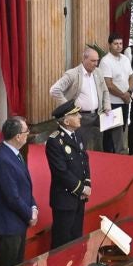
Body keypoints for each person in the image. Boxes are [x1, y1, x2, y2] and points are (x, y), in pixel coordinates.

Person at [0, 115, 38, 266]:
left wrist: (34, 206)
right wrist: (29, 214)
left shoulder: (16, 154)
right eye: (26, 131)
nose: (28, 134)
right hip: (8, 227)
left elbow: (25, 186)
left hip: (18, 223)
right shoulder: (2, 160)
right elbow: (12, 197)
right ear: (18, 136)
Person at [46, 102, 92, 249]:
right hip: (65, 198)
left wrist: (87, 184)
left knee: (76, 238)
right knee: (63, 242)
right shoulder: (55, 142)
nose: (80, 116)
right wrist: (81, 189)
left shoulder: (78, 135)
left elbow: (84, 160)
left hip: (79, 197)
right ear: (66, 121)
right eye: (75, 114)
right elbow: (61, 172)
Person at [49, 45, 107, 150]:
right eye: (93, 61)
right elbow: (54, 90)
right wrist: (69, 108)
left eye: (97, 61)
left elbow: (105, 91)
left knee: (99, 146)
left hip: (97, 115)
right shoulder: (73, 74)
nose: (96, 64)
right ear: (84, 59)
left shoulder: (98, 72)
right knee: (80, 147)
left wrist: (107, 106)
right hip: (80, 117)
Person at [97, 33, 133, 152]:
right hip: (111, 103)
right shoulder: (105, 61)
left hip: (125, 101)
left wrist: (128, 92)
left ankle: (117, 156)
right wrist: (123, 95)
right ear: (110, 45)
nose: (119, 46)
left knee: (121, 130)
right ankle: (108, 158)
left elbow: (132, 77)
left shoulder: (125, 59)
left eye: (120, 44)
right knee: (109, 133)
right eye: (116, 44)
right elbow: (109, 84)